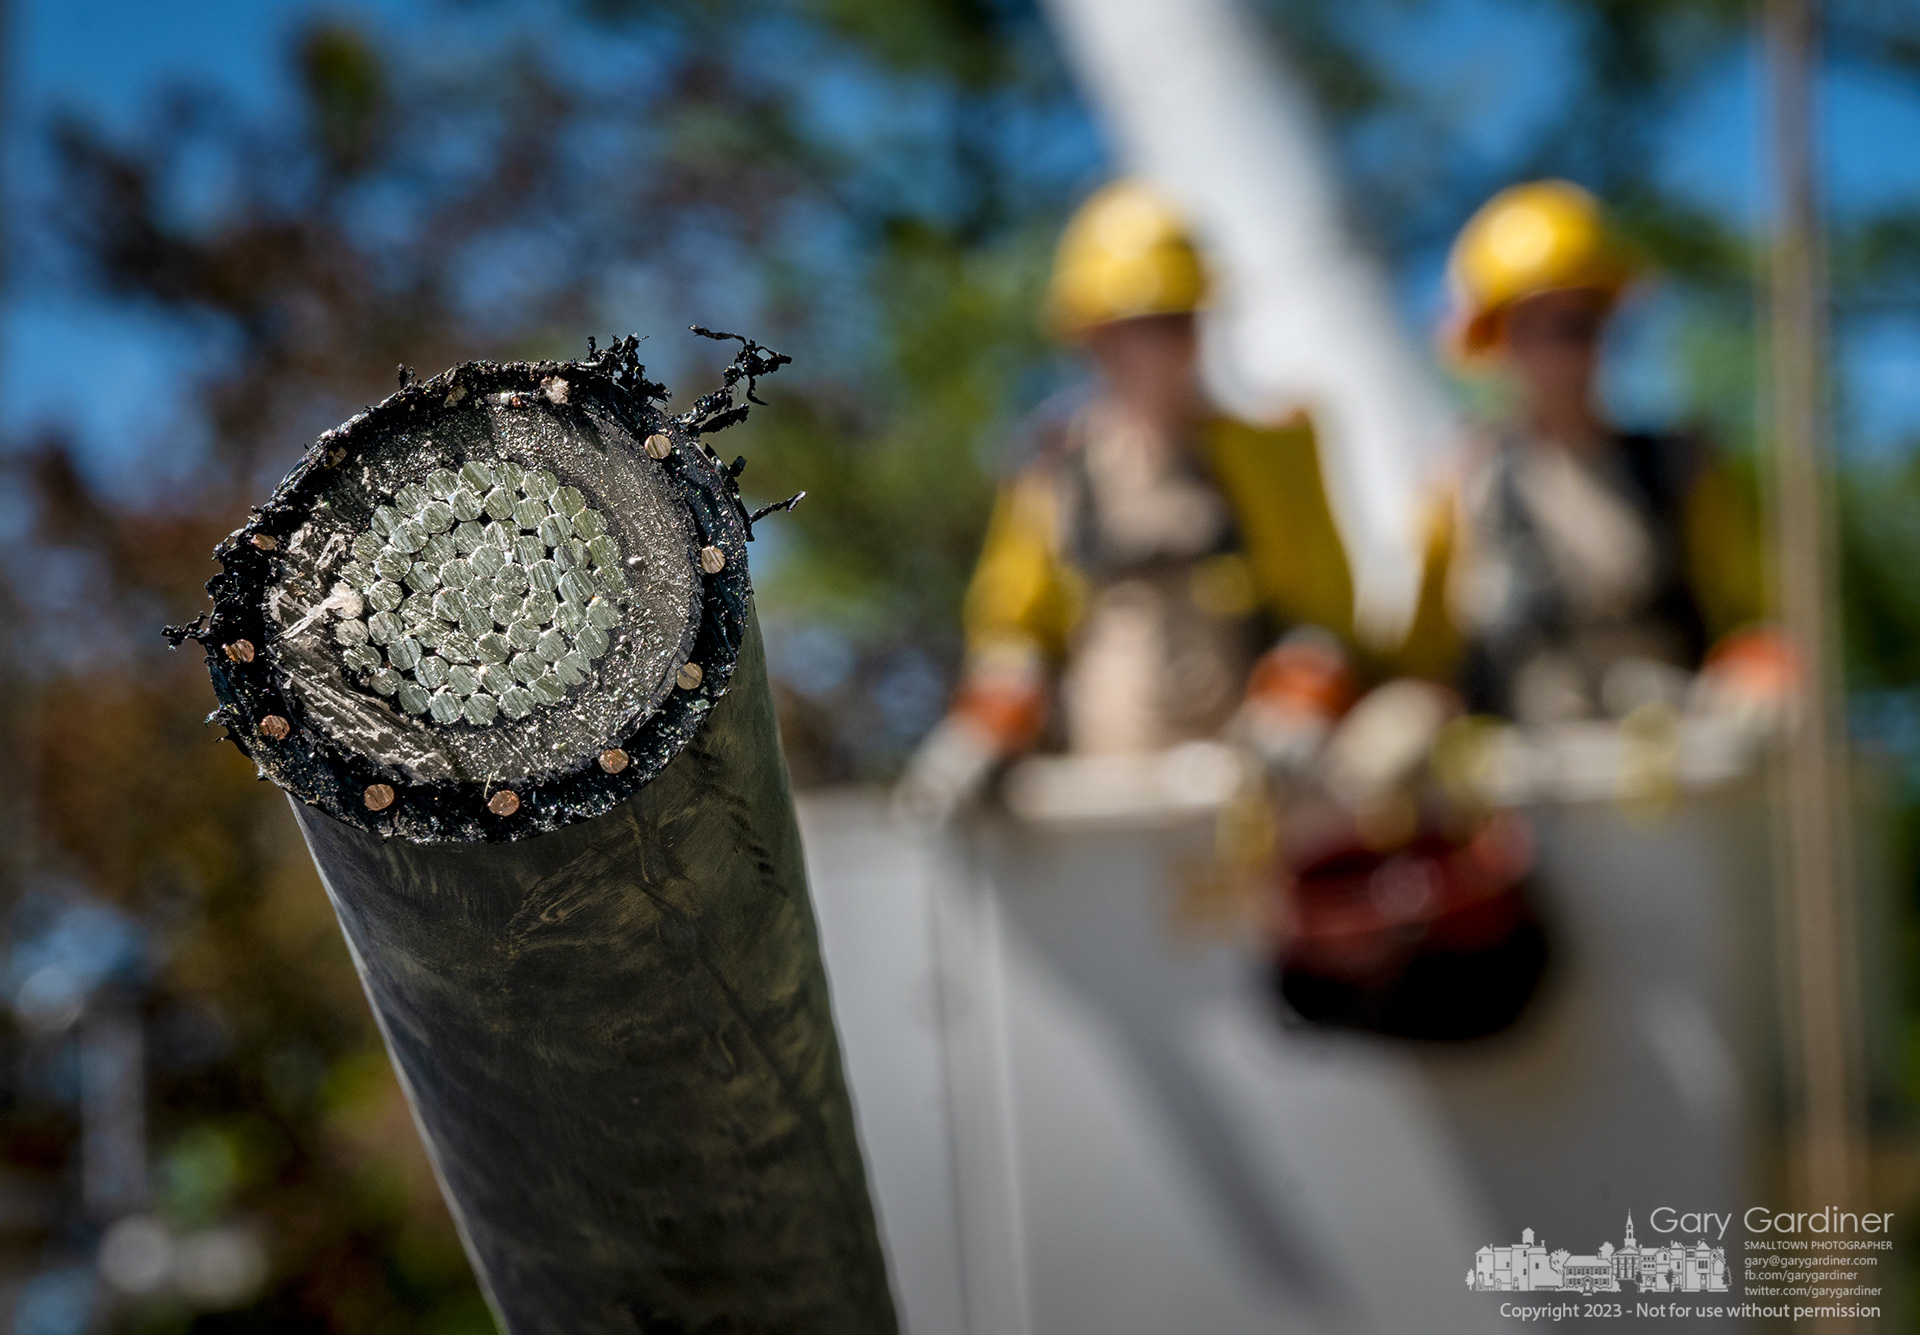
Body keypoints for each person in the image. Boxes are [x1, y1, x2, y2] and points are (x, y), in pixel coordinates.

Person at [897, 179, 1452, 818]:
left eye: (1181, 321)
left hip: (1258, 802)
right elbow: (1015, 630)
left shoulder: (1275, 453)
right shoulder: (1050, 474)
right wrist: (983, 726)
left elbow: (1325, 621)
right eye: (1145, 326)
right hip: (1108, 803)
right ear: (1093, 336)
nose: (1169, 344)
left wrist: (1297, 700)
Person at [1440, 180, 1780, 727]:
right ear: (1497, 339)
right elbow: (1425, 655)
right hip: (1522, 783)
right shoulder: (1461, 486)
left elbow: (1757, 617)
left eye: (1580, 325)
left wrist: (1759, 668)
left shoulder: (1681, 467)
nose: (1562, 348)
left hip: (1677, 767)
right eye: (1536, 326)